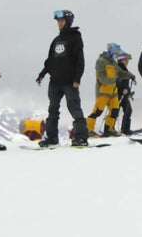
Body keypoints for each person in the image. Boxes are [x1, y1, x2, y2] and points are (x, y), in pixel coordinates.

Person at [35, 9, 89, 147]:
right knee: (52, 110)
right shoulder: (56, 40)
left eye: (62, 20)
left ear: (68, 21)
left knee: (74, 109)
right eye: (58, 21)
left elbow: (80, 60)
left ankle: (81, 137)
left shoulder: (75, 38)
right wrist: (42, 74)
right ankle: (52, 138)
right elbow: (50, 61)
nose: (59, 23)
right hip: (55, 82)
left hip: (70, 82)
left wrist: (77, 79)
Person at [87, 43, 133, 137]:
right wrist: (114, 80)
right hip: (103, 92)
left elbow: (120, 73)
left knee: (115, 111)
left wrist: (130, 75)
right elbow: (101, 77)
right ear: (111, 51)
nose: (117, 55)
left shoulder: (113, 63)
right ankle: (88, 130)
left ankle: (109, 130)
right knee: (98, 111)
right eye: (117, 53)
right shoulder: (101, 61)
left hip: (113, 92)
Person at [116, 51, 135, 135]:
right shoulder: (120, 68)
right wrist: (123, 89)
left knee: (125, 110)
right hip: (120, 94)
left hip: (123, 93)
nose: (127, 62)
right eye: (126, 60)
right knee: (125, 110)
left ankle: (124, 129)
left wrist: (129, 92)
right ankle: (125, 129)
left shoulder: (122, 68)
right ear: (122, 60)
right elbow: (118, 81)